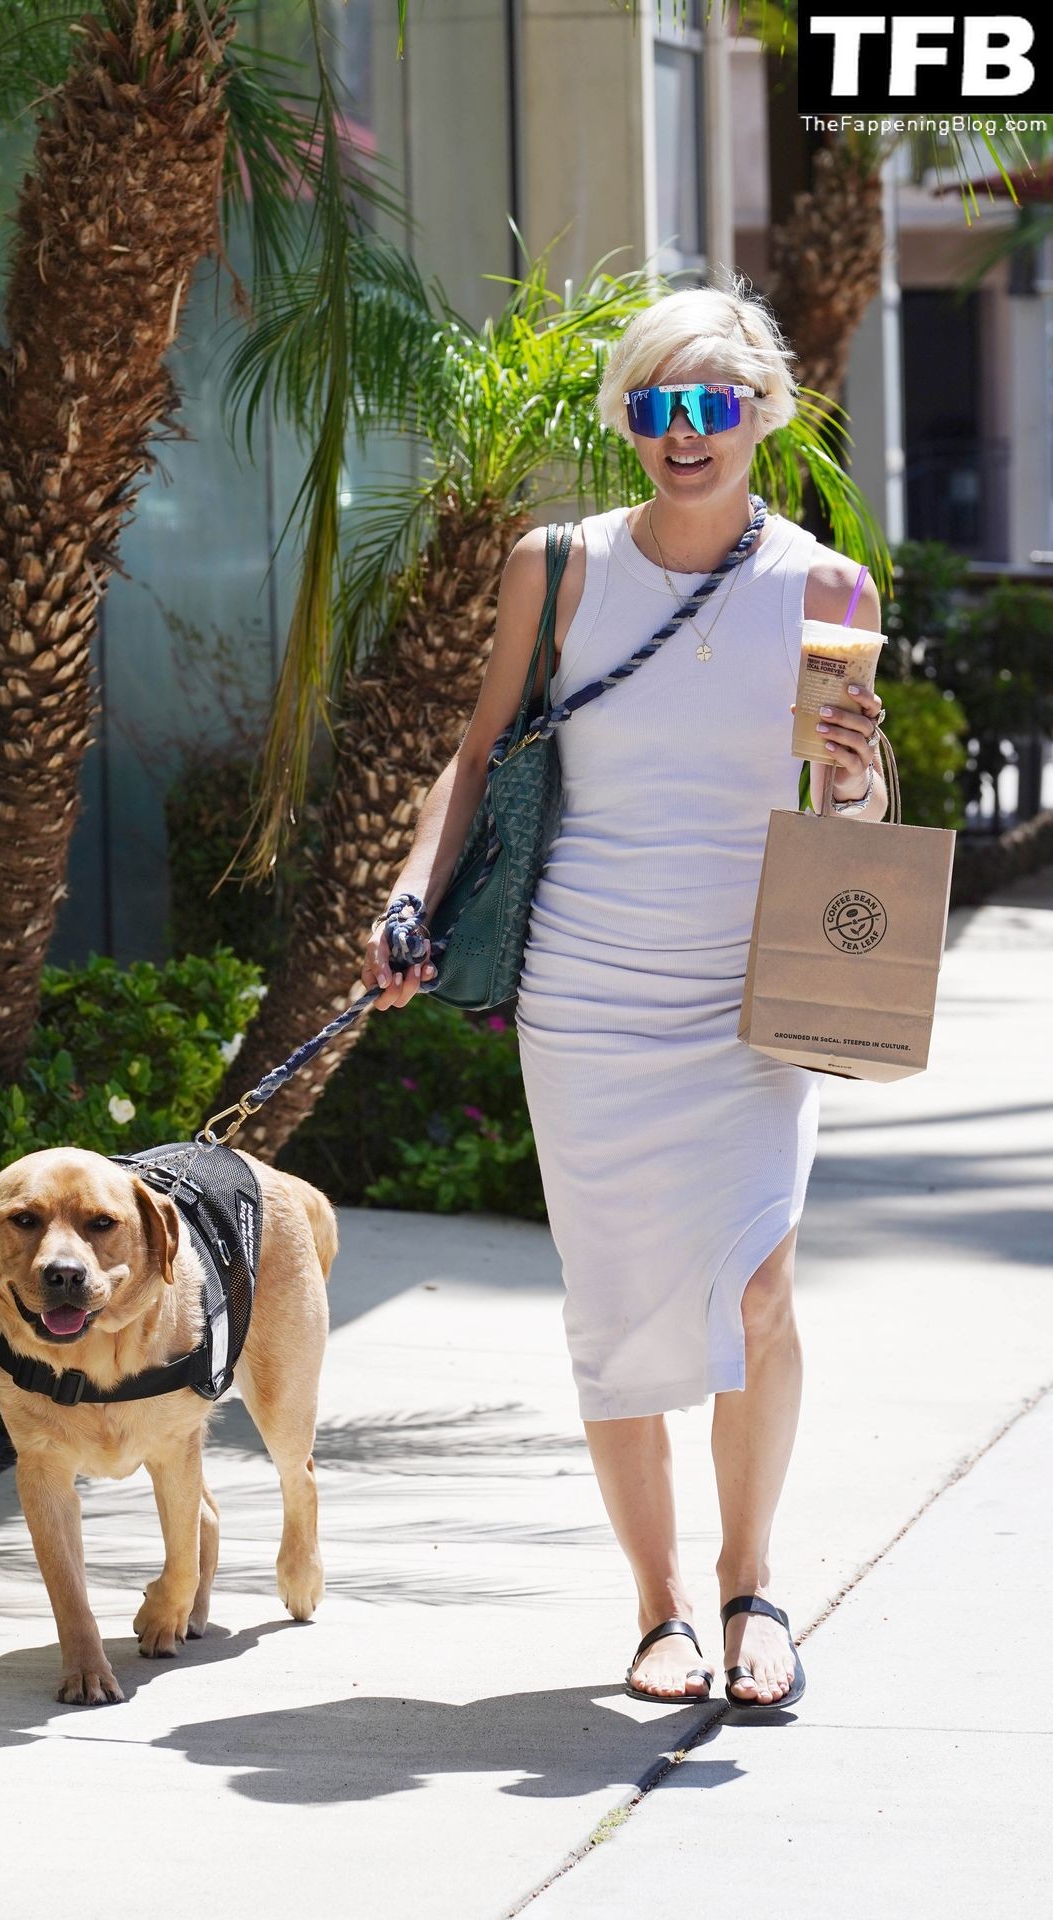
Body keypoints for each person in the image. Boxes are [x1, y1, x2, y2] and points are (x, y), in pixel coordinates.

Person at [358, 277, 886, 1709]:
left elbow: (850, 810)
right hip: (587, 992)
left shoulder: (829, 591)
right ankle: (660, 1610)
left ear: (764, 413)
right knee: (618, 1309)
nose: (683, 431)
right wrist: (409, 899)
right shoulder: (562, 568)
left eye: (712, 402)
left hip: (751, 993)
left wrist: (854, 774)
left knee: (759, 1289)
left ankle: (752, 1586)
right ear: (630, 422)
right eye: (656, 406)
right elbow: (481, 760)